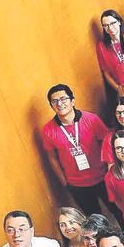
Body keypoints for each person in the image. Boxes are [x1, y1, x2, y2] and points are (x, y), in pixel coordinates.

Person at [40, 84, 111, 216]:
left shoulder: (91, 119)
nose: (59, 104)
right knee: (95, 219)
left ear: (72, 101)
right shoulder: (48, 130)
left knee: (118, 212)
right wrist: (65, 182)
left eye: (63, 99)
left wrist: (110, 169)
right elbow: (52, 157)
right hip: (77, 185)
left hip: (102, 177)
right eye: (54, 101)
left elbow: (107, 143)